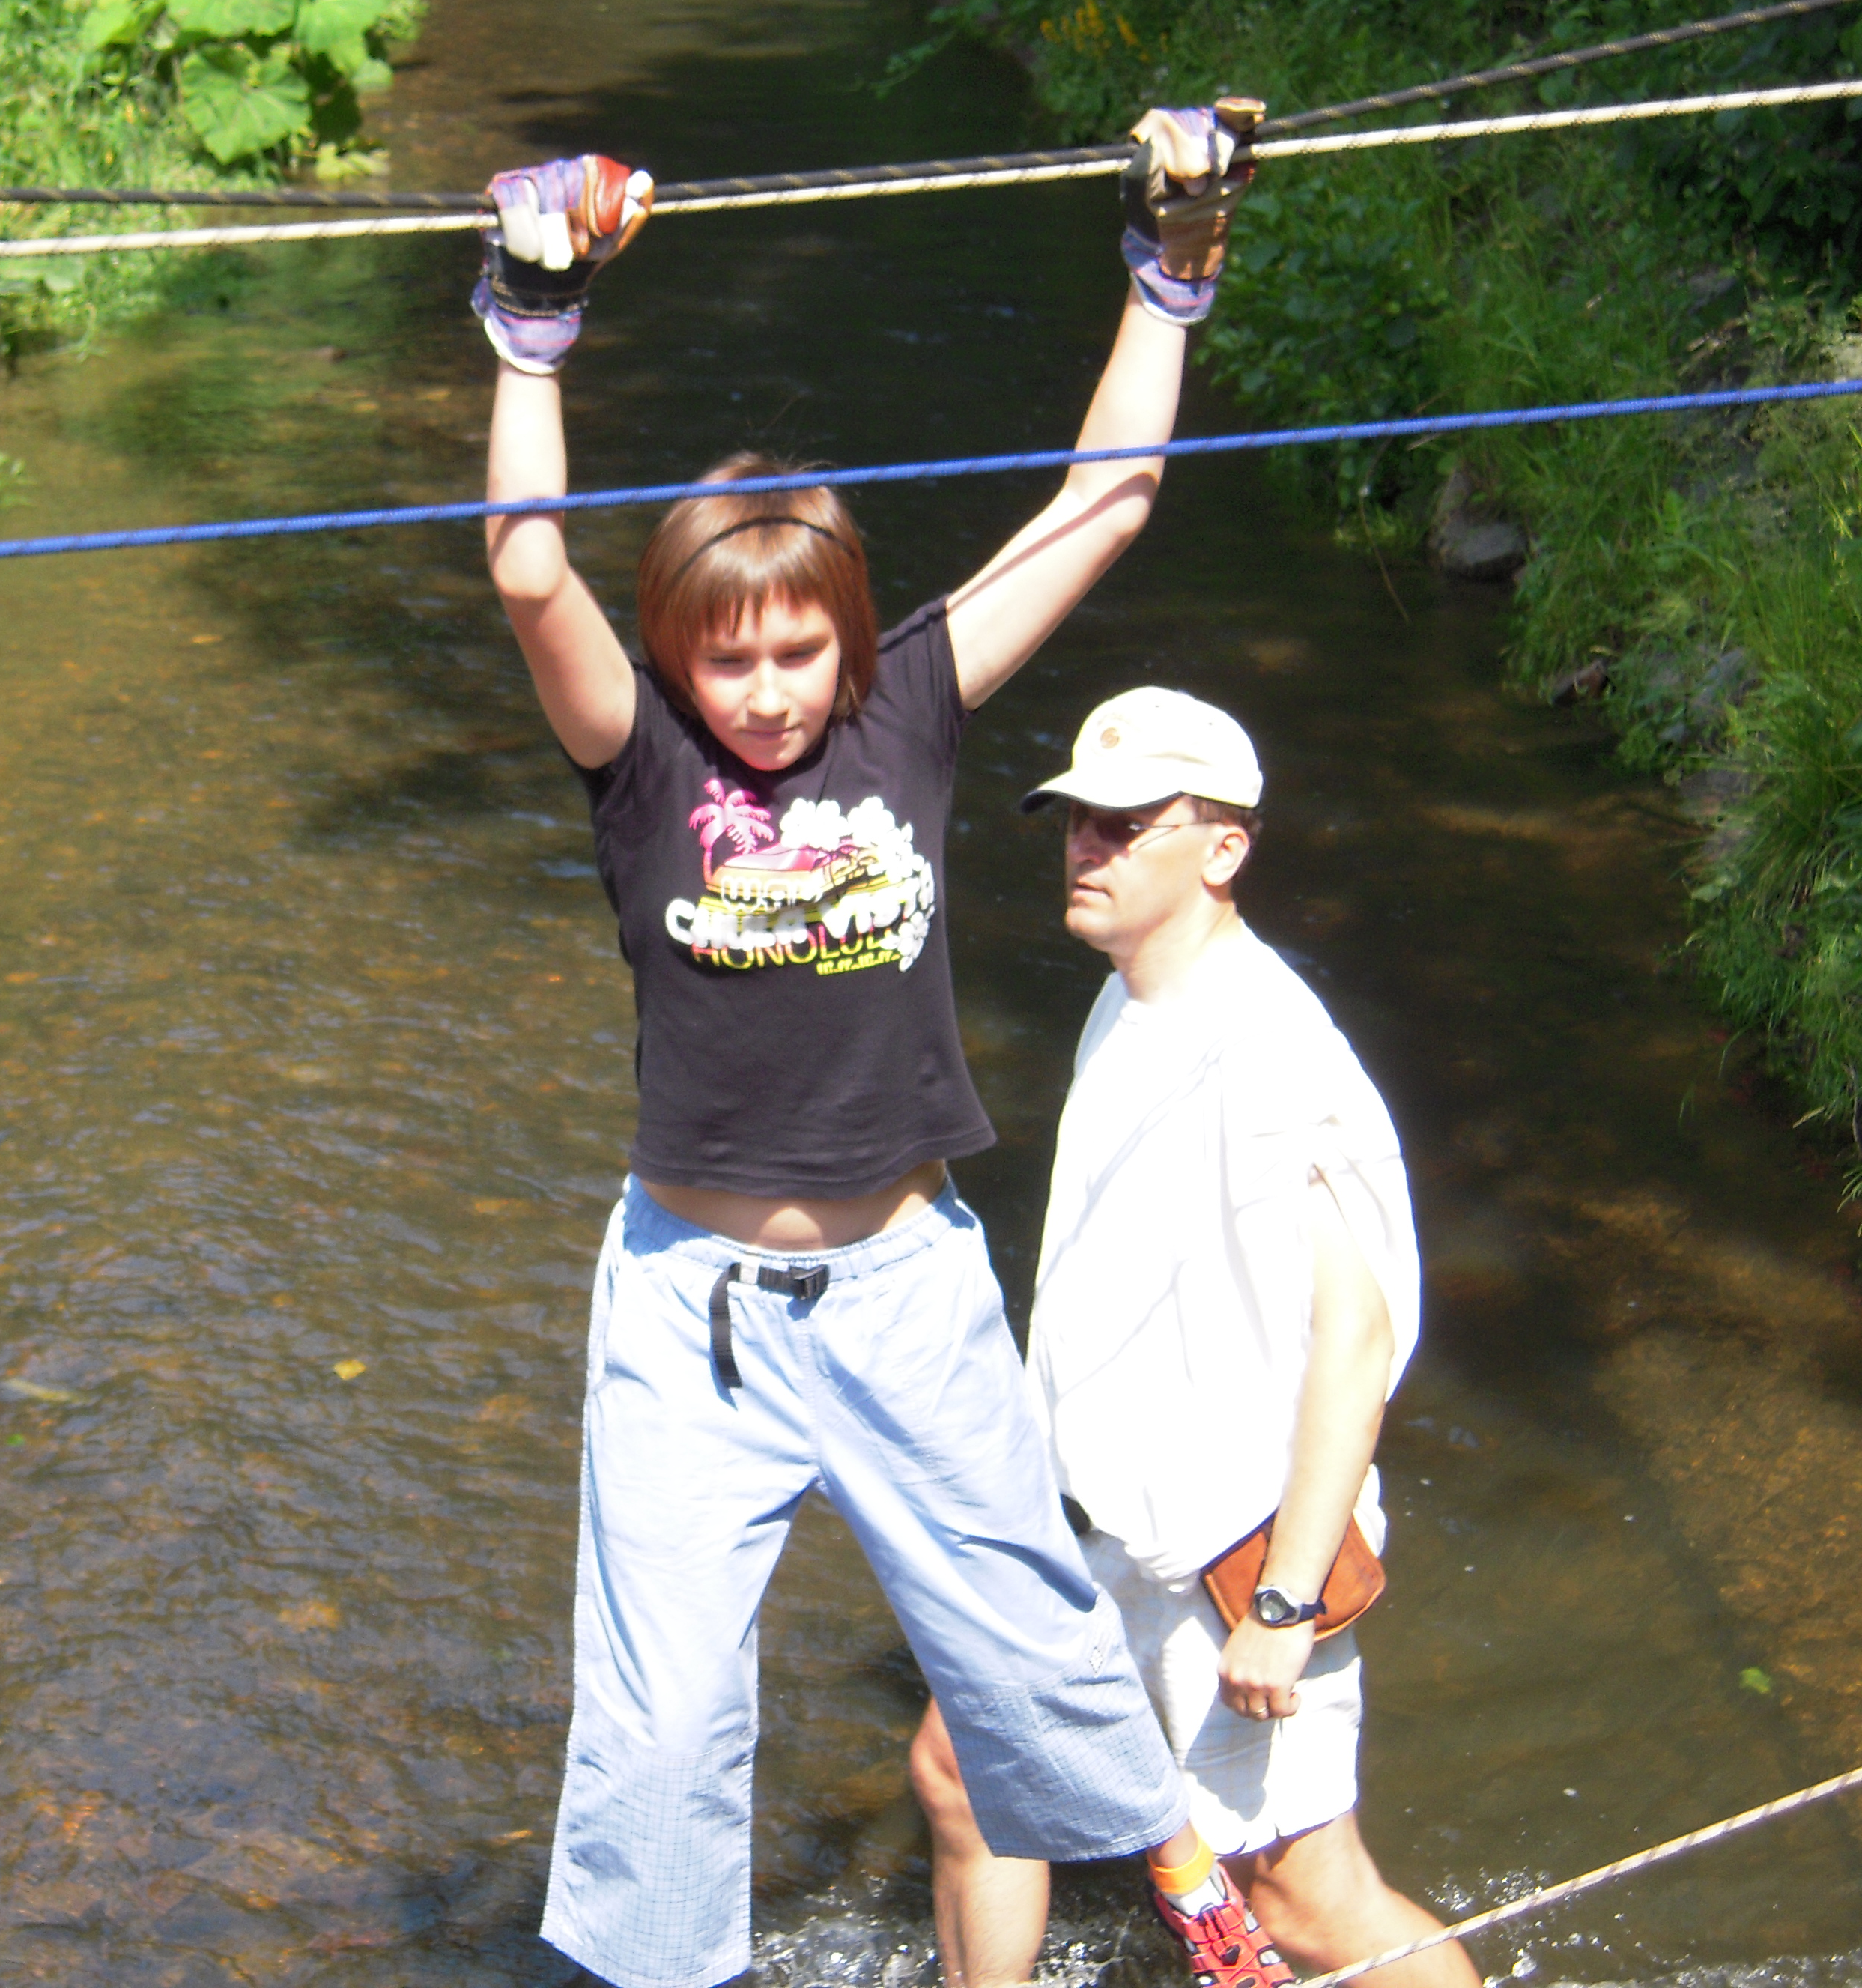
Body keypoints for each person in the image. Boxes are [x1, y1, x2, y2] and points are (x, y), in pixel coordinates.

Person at [475, 112, 1303, 1988]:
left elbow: (1107, 501)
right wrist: (533, 321)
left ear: (848, 641)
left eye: (797, 655)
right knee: (661, 1727)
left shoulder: (909, 710)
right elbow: (529, 572)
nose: (766, 695)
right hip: (689, 1313)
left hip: (904, 1295)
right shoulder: (639, 760)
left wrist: (1171, 262)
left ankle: (1184, 1872)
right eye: (728, 660)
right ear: (680, 657)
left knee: (1031, 1644)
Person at [910, 688, 1479, 1988]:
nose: (1085, 846)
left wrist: (1286, 1600)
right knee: (963, 1776)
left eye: (1124, 825)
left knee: (1307, 1903)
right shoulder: (1128, 1000)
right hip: (1093, 1531)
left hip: (1227, 1554)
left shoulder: (1271, 1054)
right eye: (1076, 820)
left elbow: (1357, 1339)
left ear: (1224, 848)